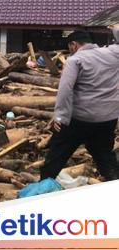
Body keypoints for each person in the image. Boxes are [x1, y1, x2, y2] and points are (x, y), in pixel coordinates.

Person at [40, 31, 119, 181]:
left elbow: (65, 89)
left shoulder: (75, 59)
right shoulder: (113, 53)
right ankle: (115, 185)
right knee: (105, 156)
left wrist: (60, 116)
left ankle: (43, 187)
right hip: (108, 118)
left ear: (73, 45)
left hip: (79, 118)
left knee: (57, 154)